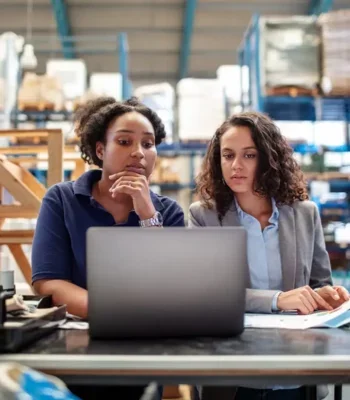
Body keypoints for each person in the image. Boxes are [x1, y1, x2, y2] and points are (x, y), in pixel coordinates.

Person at [31, 96, 185, 400]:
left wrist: (146, 213)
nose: (138, 153)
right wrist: (110, 312)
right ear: (100, 150)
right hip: (74, 350)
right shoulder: (61, 200)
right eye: (125, 141)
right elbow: (47, 281)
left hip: (143, 349)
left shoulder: (168, 212)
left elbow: (171, 288)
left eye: (148, 144)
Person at [188, 111, 349, 400]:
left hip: (297, 374)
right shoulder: (204, 216)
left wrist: (328, 297)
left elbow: (317, 285)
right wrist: (277, 300)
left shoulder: (304, 213)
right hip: (232, 377)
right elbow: (205, 296)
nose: (236, 166)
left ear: (268, 158)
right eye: (227, 155)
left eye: (249, 155)